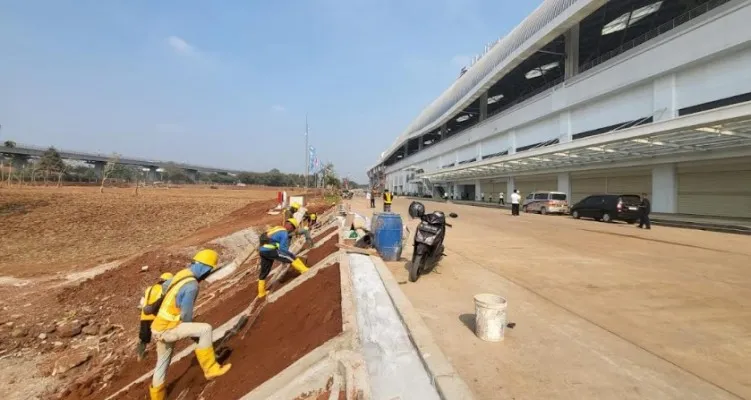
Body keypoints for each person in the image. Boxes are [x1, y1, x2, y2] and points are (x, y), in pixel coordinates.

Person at [148, 250, 231, 400]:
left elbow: (166, 286)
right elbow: (186, 315)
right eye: (209, 270)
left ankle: (157, 397)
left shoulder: (182, 274)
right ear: (204, 268)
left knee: (162, 363)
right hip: (169, 328)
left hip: (157, 327)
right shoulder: (192, 285)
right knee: (205, 329)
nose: (208, 274)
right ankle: (211, 369)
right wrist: (193, 333)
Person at [257, 218, 309, 298]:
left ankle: (261, 293)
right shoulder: (284, 233)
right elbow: (283, 250)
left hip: (262, 251)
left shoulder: (277, 228)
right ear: (291, 227)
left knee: (264, 271)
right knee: (290, 257)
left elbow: (267, 237)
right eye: (293, 228)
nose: (291, 231)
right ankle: (304, 269)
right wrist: (283, 257)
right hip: (270, 250)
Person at [136, 272, 174, 361]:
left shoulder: (149, 289)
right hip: (156, 315)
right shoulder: (164, 289)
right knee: (160, 333)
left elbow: (142, 302)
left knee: (144, 336)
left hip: (145, 315)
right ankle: (162, 352)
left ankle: (140, 355)